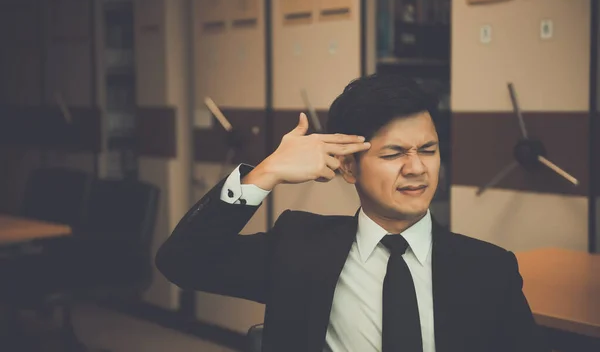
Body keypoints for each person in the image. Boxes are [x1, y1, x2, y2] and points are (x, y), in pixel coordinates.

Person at [155, 74, 548, 352]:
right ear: (347, 167)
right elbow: (183, 261)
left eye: (427, 150)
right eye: (393, 154)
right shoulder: (299, 247)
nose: (416, 168)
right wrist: (265, 173)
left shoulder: (488, 269)